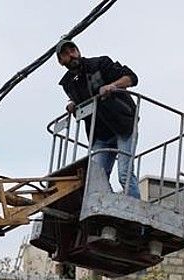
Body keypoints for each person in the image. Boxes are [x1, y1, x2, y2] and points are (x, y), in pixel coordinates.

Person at [57, 40, 141, 199]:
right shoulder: (68, 83)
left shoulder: (100, 64)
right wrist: (73, 105)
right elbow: (82, 101)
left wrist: (113, 86)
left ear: (78, 51)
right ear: (61, 61)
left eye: (72, 50)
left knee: (125, 174)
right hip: (100, 134)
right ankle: (111, 209)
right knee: (95, 180)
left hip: (123, 125)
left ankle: (136, 218)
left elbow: (131, 78)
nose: (71, 54)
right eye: (65, 54)